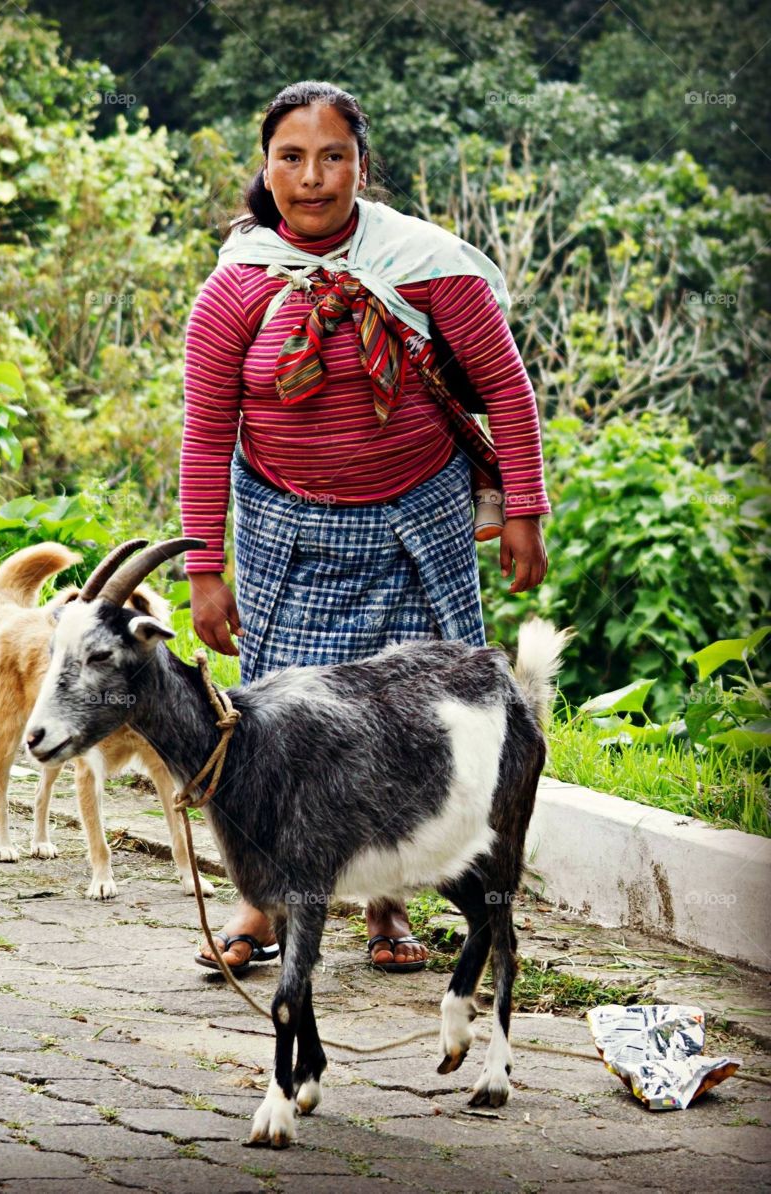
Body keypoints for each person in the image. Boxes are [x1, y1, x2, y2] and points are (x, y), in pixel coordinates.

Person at [180, 81, 549, 975]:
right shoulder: (237, 286)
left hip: (417, 527)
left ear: (362, 165)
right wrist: (203, 569)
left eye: (333, 156)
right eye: (292, 159)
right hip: (288, 534)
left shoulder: (425, 264)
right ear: (265, 172)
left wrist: (524, 516)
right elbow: (204, 428)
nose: (313, 178)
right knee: (281, 732)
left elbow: (507, 389)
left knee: (412, 724)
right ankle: (262, 905)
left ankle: (389, 908)